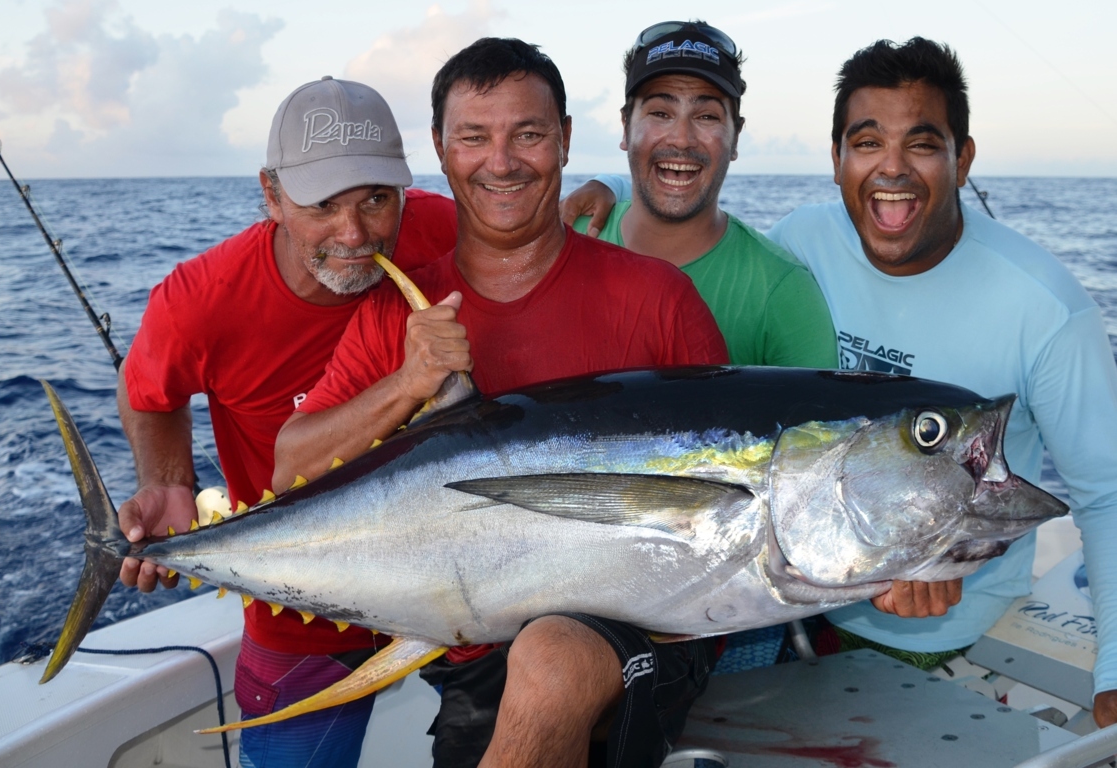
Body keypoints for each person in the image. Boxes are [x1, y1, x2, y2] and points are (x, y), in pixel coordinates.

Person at [273, 38, 728, 768]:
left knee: (551, 656)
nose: (503, 161)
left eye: (529, 133)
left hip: (643, 632)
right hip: (473, 648)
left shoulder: (660, 300)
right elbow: (287, 465)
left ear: (566, 140)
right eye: (474, 137)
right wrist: (405, 385)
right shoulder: (398, 312)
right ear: (440, 150)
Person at [763, 37, 1117, 727]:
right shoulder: (798, 243)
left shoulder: (1045, 305)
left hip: (952, 641)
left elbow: (1106, 496)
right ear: (836, 159)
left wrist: (1115, 673)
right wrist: (616, 192)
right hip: (784, 616)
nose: (891, 169)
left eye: (922, 144)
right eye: (867, 143)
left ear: (964, 159)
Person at [117, 77, 457, 767]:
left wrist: (610, 198)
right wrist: (168, 480)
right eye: (321, 205)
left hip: (455, 582)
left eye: (375, 199)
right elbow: (147, 391)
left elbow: (540, 228)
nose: (355, 233)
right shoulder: (201, 300)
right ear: (271, 196)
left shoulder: (445, 230)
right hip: (300, 606)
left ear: (405, 189)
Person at [567, 20, 837, 368]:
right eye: (660, 113)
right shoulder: (563, 238)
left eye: (706, 116)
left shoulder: (785, 294)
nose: (681, 138)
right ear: (625, 127)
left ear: (735, 138)